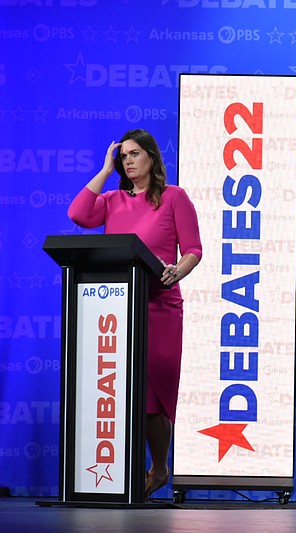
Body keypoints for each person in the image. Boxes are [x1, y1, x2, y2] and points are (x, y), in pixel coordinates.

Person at [68, 129, 202, 498]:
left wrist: (178, 270)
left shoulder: (174, 198)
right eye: (122, 156)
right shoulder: (111, 200)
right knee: (128, 392)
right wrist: (105, 170)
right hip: (121, 308)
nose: (128, 161)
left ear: (151, 158)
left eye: (133, 154)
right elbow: (78, 214)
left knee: (155, 393)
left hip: (161, 307)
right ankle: (125, 470)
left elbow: (193, 249)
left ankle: (159, 468)